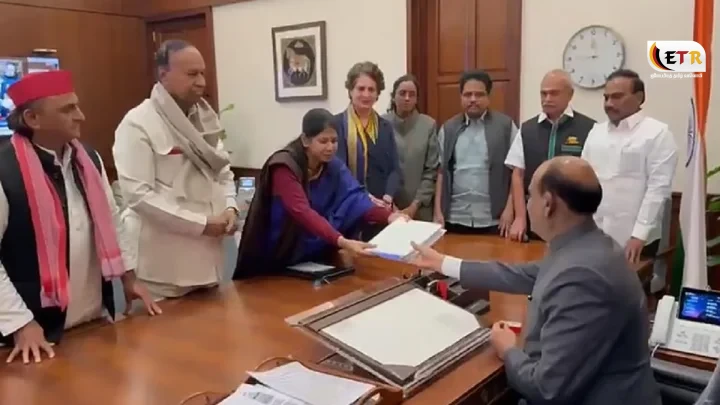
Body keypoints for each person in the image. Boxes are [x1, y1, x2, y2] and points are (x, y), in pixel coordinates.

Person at [412, 156, 661, 404]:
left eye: (530, 196)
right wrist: (444, 263)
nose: (527, 205)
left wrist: (508, 350)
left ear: (548, 204)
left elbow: (546, 390)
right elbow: (521, 274)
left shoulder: (583, 276)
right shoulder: (589, 245)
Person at [0, 70, 159, 364]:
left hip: (93, 322)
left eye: (77, 105)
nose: (81, 116)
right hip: (32, 338)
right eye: (68, 109)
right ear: (33, 118)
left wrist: (129, 277)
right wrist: (19, 324)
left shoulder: (88, 158)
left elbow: (112, 219)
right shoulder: (5, 170)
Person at [113, 39, 238, 299]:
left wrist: (230, 207)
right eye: (192, 74)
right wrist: (201, 224)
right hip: (164, 271)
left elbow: (223, 172)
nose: (201, 82)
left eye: (202, 73)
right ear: (163, 75)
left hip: (210, 264)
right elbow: (138, 196)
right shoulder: (137, 123)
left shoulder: (206, 120)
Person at [234, 109, 406, 277]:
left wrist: (390, 217)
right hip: (279, 252)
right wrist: (343, 241)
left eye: (334, 141)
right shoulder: (285, 166)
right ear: (305, 140)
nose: (330, 147)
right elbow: (302, 211)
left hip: (314, 254)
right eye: (323, 141)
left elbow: (356, 199)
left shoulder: (333, 166)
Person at [581, 69, 677, 291]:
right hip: (594, 235)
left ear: (639, 97)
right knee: (591, 293)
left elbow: (658, 189)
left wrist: (638, 236)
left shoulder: (657, 134)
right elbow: (583, 179)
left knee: (628, 297)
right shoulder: (596, 132)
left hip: (633, 240)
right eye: (606, 97)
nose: (609, 103)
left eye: (617, 97)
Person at [504, 69, 596, 241]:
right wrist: (520, 217)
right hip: (535, 218)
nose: (547, 99)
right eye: (543, 93)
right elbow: (517, 174)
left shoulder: (590, 128)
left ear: (570, 95)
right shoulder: (527, 129)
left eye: (554, 93)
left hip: (572, 219)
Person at [435, 70, 516, 236]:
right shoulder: (448, 129)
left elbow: (517, 172)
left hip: (495, 220)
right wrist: (438, 211)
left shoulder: (506, 127)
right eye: (467, 94)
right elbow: (441, 173)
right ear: (461, 97)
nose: (473, 99)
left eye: (479, 94)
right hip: (454, 218)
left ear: (488, 97)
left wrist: (510, 209)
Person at [333, 62, 401, 240]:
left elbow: (394, 168)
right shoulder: (336, 125)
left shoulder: (385, 127)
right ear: (350, 91)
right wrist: (366, 197)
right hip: (349, 211)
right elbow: (338, 172)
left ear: (378, 94)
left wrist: (388, 197)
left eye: (371, 89)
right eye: (360, 88)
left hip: (382, 211)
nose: (366, 94)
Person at [382, 74, 438, 221]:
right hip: (387, 208)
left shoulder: (428, 125)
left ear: (416, 99)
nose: (407, 98)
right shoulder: (381, 124)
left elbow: (431, 171)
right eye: (402, 93)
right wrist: (391, 204)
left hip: (421, 209)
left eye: (412, 94)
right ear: (393, 97)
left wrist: (414, 206)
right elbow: (377, 170)